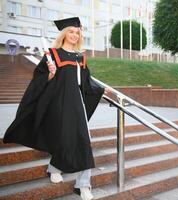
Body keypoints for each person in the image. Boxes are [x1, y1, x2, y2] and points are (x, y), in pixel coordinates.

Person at [2, 17, 110, 200]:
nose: (74, 35)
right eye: (71, 31)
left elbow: (85, 82)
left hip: (77, 103)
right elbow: (39, 81)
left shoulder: (80, 57)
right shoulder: (53, 55)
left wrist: (101, 89)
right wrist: (50, 74)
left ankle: (83, 185)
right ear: (64, 34)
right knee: (64, 138)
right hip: (58, 103)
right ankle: (54, 168)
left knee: (83, 141)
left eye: (77, 32)